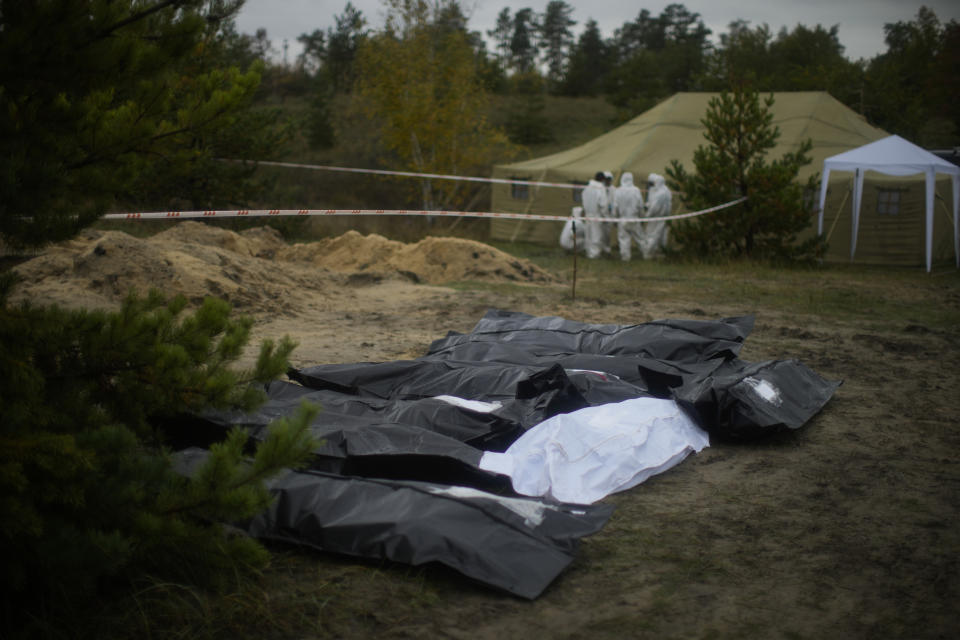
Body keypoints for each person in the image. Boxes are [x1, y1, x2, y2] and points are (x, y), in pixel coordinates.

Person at [613, 172, 644, 261]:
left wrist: (615, 218)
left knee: (623, 239)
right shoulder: (636, 190)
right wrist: (642, 217)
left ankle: (625, 257)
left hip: (622, 220)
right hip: (634, 218)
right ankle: (646, 254)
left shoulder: (618, 191)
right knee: (640, 238)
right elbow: (640, 205)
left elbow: (615, 206)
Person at [641, 173, 671, 259]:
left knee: (652, 235)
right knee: (661, 235)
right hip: (664, 217)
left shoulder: (660, 193)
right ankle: (660, 252)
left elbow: (654, 207)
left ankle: (648, 254)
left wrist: (647, 216)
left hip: (656, 217)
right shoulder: (666, 190)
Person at [581, 171, 609, 259]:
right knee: (596, 235)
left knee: (588, 234)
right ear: (602, 179)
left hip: (588, 214)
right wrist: (605, 216)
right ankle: (594, 254)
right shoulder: (601, 188)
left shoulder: (588, 187)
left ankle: (589, 252)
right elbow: (603, 204)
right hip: (596, 214)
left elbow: (583, 198)